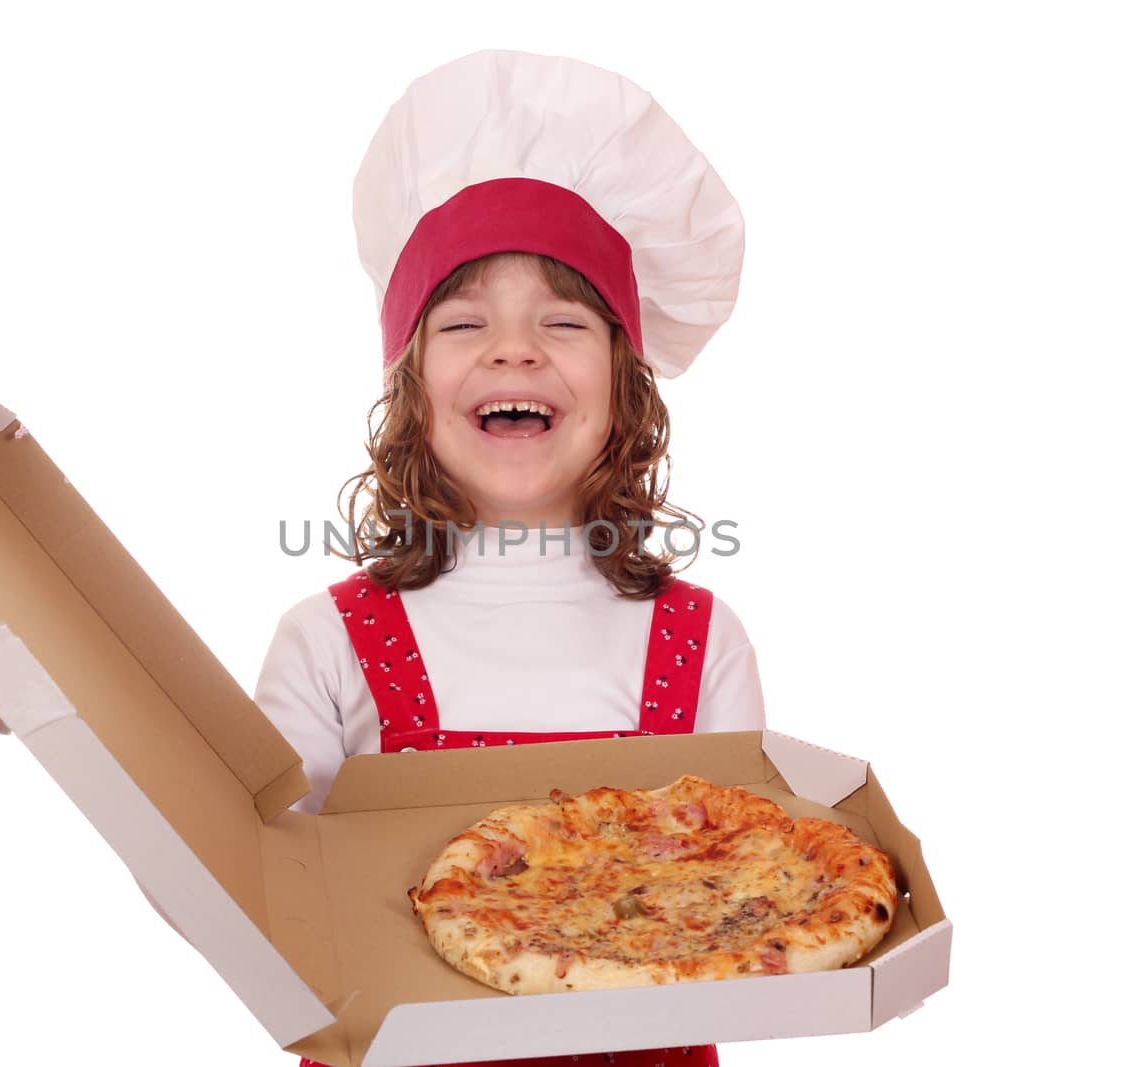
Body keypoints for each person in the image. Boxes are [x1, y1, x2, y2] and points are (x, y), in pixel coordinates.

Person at [253, 49, 763, 1067]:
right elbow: (252, 888)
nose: (514, 349)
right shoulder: (327, 641)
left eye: (563, 320)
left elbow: (743, 905)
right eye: (465, 320)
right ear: (410, 381)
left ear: (625, 382)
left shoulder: (700, 643)